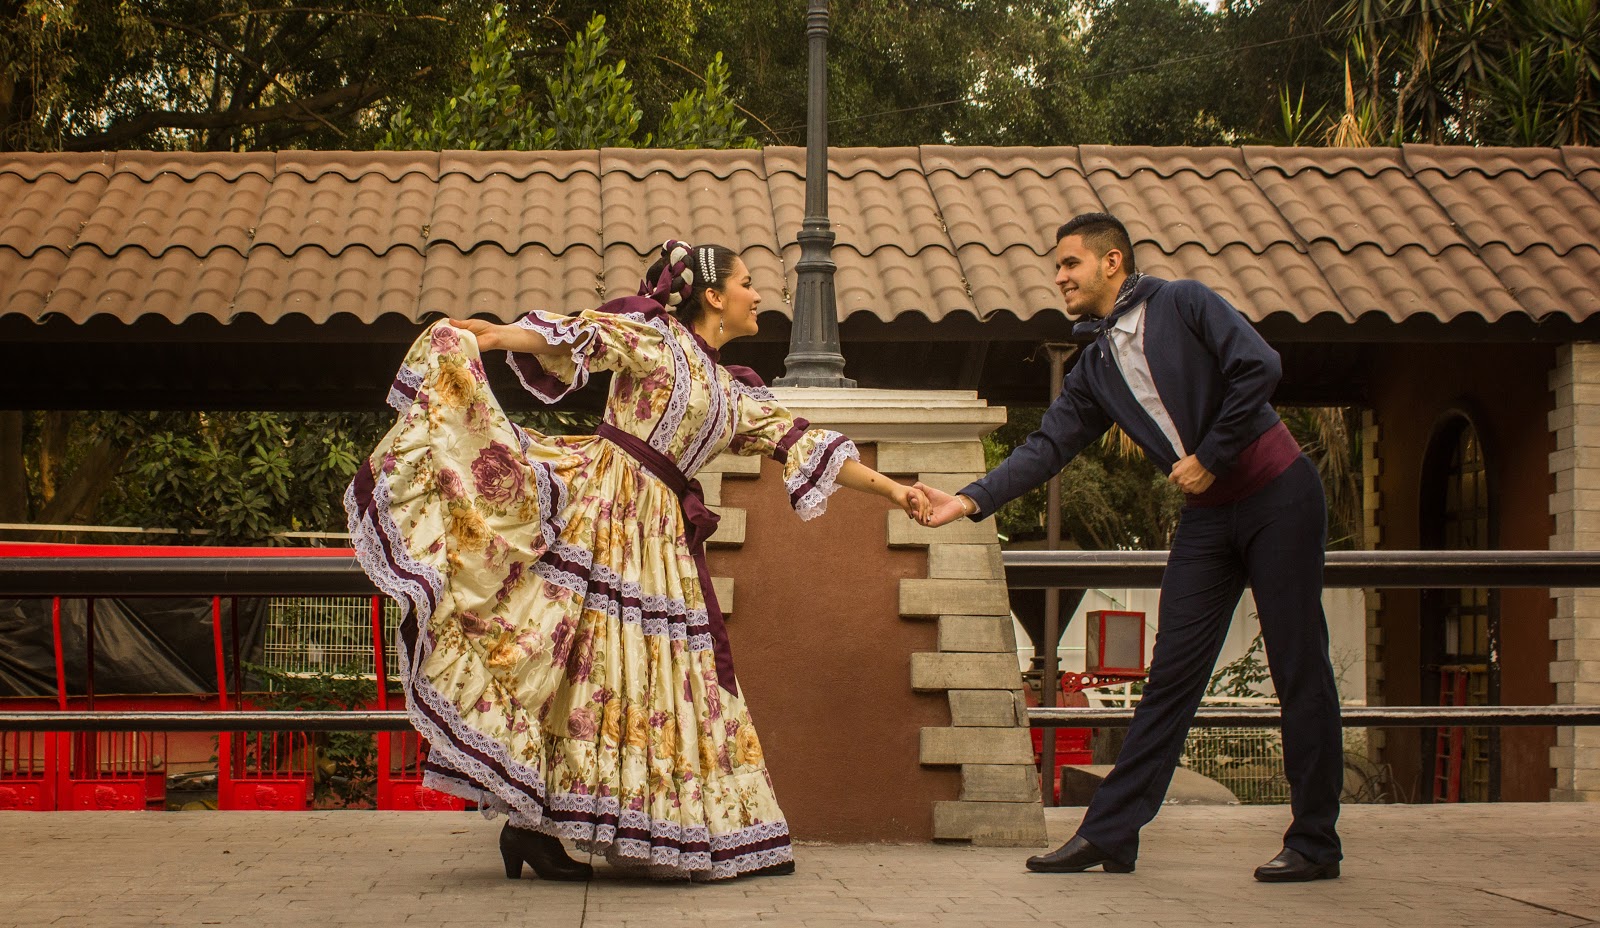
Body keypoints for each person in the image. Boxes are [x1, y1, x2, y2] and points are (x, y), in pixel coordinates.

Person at [345, 239, 925, 882]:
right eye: (749, 283)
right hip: (607, 505)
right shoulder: (655, 337)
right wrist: (483, 337)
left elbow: (806, 444)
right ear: (713, 295)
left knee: (634, 679)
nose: (760, 295)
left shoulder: (734, 393)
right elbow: (574, 339)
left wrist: (900, 492)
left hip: (660, 538)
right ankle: (529, 825)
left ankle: (543, 827)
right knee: (562, 653)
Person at [914, 213, 1343, 883]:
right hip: (1208, 515)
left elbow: (1260, 366)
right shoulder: (1095, 365)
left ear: (1112, 262)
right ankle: (1112, 834)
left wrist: (1210, 454)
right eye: (1057, 266)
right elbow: (1047, 446)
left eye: (1070, 264)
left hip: (1278, 494)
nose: (1059, 276)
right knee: (1170, 676)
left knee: (1299, 668)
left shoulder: (1184, 302)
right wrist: (968, 500)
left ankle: (1316, 841)